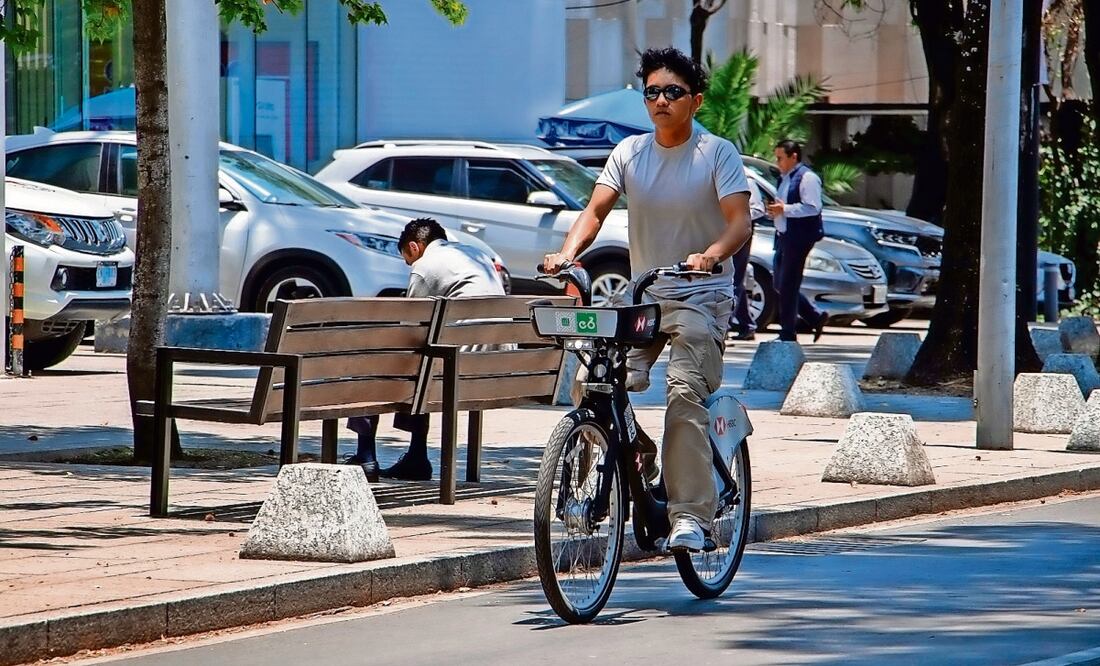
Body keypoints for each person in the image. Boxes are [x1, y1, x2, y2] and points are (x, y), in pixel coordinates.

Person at [542, 47, 752, 552]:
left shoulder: (716, 153)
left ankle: (690, 516)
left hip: (701, 296)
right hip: (645, 296)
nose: (660, 100)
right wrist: (567, 254)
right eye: (652, 92)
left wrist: (710, 254)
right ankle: (637, 455)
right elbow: (594, 212)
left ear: (695, 101)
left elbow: (740, 222)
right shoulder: (630, 152)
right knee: (594, 381)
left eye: (673, 92)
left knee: (683, 396)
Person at [345, 217, 505, 482]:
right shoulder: (476, 255)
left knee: (370, 362)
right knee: (425, 364)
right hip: (494, 368)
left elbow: (411, 327)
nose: (410, 265)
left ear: (414, 247)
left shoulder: (426, 265)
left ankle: (366, 454)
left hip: (455, 370)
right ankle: (416, 456)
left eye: (407, 259)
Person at [766, 139, 829, 343]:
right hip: (783, 236)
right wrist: (775, 212)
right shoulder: (785, 178)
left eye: (780, 158)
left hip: (799, 238)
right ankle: (814, 316)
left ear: (794, 156)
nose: (778, 163)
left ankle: (788, 333)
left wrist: (785, 210)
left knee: (788, 285)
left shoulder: (807, 178)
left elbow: (812, 207)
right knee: (780, 283)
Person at [728, 178, 767, 340]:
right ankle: (747, 324)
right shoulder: (718, 176)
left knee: (734, 278)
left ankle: (725, 324)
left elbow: (759, 209)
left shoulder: (747, 181)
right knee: (734, 278)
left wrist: (738, 216)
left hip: (741, 233)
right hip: (721, 232)